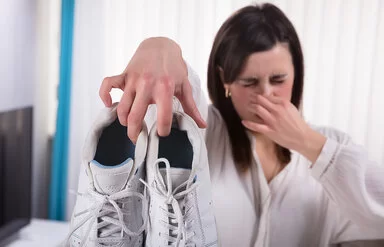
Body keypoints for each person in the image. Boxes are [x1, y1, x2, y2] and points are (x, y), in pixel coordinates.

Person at [99, 3, 384, 247]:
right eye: (249, 82)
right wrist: (158, 46)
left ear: (296, 74)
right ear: (226, 81)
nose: (266, 94)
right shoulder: (205, 130)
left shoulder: (331, 146)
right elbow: (177, 88)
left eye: (279, 79)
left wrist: (308, 143)